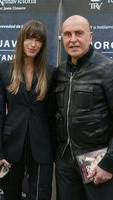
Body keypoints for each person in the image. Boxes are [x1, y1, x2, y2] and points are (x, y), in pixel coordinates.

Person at [0, 19, 55, 200]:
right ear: (21, 40)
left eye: (38, 40)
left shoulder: (50, 73)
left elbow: (52, 115)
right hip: (11, 145)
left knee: (41, 195)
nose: (33, 44)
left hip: (42, 146)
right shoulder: (3, 70)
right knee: (10, 194)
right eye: (29, 38)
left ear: (43, 44)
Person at [54, 15, 113, 200]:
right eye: (67, 34)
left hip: (96, 161)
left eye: (79, 33)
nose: (73, 40)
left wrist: (109, 163)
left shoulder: (107, 69)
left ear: (90, 36)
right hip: (65, 161)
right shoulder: (59, 72)